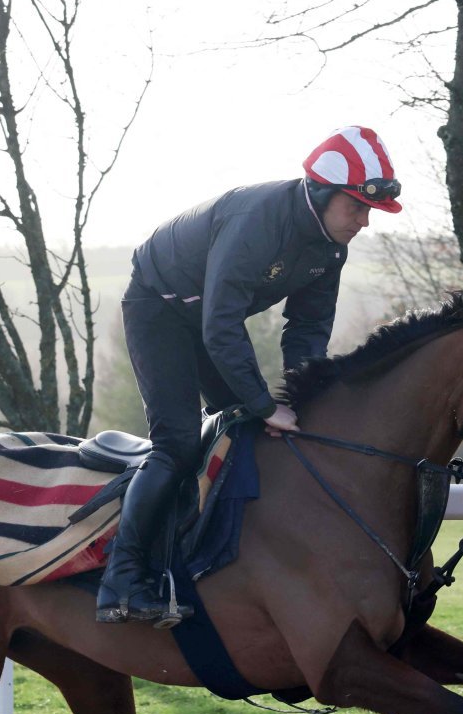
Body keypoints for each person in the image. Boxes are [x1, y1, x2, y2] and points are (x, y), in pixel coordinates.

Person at [95, 126, 403, 625]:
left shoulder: (330, 247)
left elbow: (306, 331)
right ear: (322, 194)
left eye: (370, 212)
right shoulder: (257, 221)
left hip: (208, 317)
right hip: (159, 307)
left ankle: (220, 561)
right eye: (357, 207)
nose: (364, 222)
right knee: (177, 442)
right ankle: (122, 580)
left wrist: (303, 400)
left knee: (246, 429)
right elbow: (220, 327)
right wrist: (264, 403)